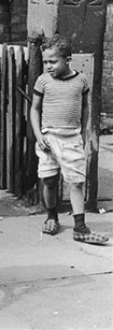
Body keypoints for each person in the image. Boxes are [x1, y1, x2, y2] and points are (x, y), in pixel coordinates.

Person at [30, 35, 108, 244]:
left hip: (71, 137)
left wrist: (83, 133)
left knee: (76, 181)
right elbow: (34, 109)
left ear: (68, 60)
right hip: (48, 139)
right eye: (45, 62)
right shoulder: (43, 81)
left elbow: (85, 107)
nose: (48, 66)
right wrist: (38, 135)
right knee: (49, 180)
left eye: (53, 61)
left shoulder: (81, 81)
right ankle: (51, 216)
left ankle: (80, 227)